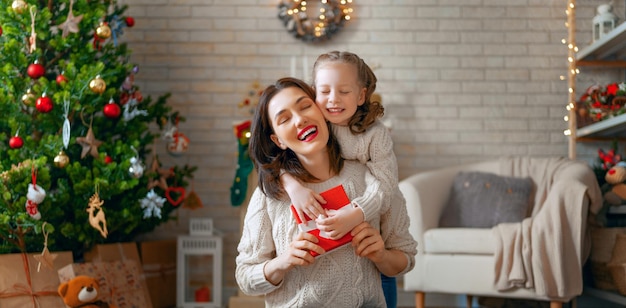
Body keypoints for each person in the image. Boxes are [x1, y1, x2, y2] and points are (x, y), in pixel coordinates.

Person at [235, 77, 416, 307]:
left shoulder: (374, 182)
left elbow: (406, 259)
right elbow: (245, 278)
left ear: (322, 111)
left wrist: (381, 255)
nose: (300, 120)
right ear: (278, 140)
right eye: (285, 119)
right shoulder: (269, 196)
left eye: (305, 106)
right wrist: (283, 261)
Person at [280, 51, 405, 307]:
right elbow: (273, 160)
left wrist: (356, 212)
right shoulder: (311, 125)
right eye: (324, 91)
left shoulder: (375, 135)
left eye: (344, 92)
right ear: (314, 93)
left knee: (377, 281)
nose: (333, 100)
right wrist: (293, 186)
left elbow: (386, 181)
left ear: (361, 95)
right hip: (327, 241)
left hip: (366, 233)